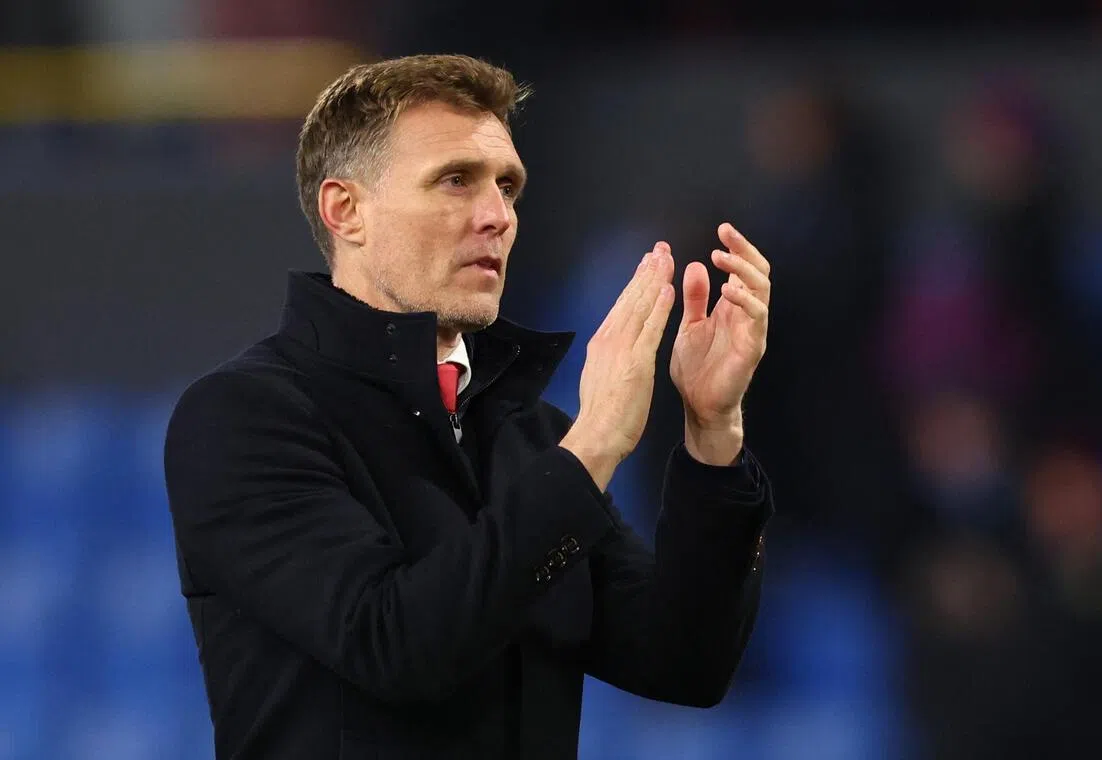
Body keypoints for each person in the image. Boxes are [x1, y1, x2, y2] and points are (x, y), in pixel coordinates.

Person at [164, 54, 775, 760]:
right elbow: (394, 644)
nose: (498, 217)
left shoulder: (531, 436)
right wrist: (596, 443)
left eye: (507, 187)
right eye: (456, 180)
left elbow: (685, 662)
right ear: (346, 211)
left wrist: (712, 434)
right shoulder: (242, 418)